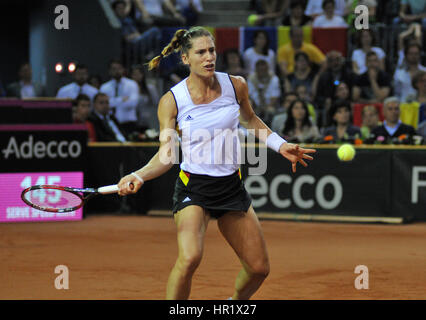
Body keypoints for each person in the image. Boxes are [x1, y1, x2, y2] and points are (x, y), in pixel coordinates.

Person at [116, 26, 316, 300]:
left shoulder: (236, 86)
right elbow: (166, 155)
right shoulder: (172, 101)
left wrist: (280, 145)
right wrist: (139, 175)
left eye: (211, 50)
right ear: (186, 59)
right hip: (193, 189)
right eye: (201, 52)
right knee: (190, 258)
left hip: (231, 188)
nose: (209, 57)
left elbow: (250, 120)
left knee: (259, 269)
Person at [100, 59, 139, 135]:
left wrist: (112, 101)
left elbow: (133, 103)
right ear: (109, 71)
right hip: (111, 123)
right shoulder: (104, 87)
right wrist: (122, 99)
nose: (117, 71)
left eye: (119, 68)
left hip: (128, 122)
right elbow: (104, 105)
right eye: (114, 69)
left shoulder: (132, 84)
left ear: (123, 69)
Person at [247, 59, 281, 125]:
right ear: (256, 70)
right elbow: (249, 95)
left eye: (264, 70)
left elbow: (274, 97)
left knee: (270, 111)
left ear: (267, 69)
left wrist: (266, 107)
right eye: (260, 70)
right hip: (255, 106)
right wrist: (255, 108)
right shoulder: (251, 79)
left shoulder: (274, 79)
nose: (262, 72)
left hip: (269, 105)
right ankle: (252, 131)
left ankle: (270, 129)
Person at [130, 64, 160, 131]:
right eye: (134, 74)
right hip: (132, 119)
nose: (137, 76)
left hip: (145, 118)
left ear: (142, 75)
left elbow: (156, 102)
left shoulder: (150, 88)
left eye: (139, 74)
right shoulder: (128, 89)